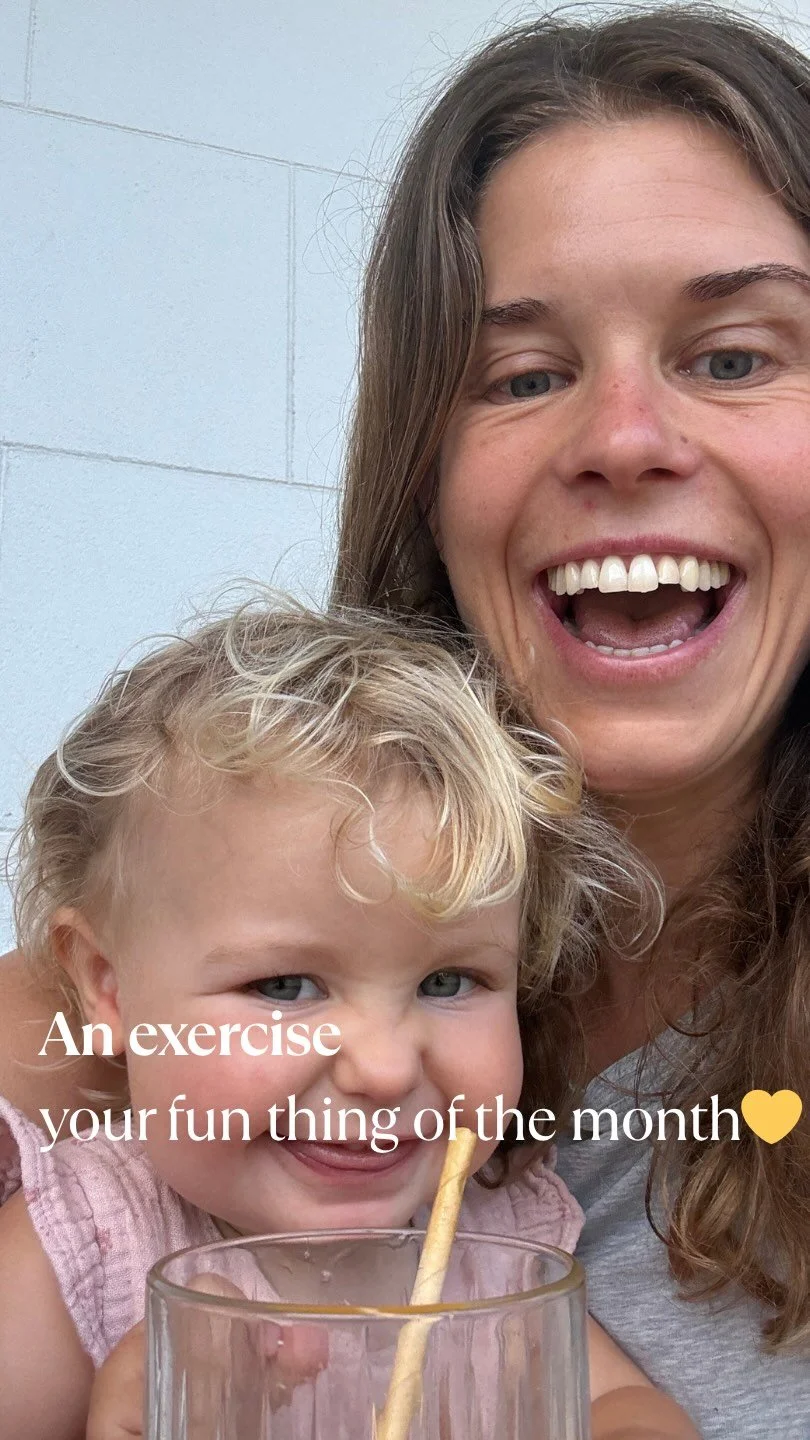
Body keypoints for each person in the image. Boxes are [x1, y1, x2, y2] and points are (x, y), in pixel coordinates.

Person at [3, 2, 810, 1434]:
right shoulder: (96, 1130)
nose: (624, 440)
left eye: (735, 355)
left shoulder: (497, 1217)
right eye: (523, 375)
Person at [0, 596, 696, 1439]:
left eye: (449, 981)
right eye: (285, 986)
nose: (386, 1069)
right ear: (108, 989)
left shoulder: (493, 1240)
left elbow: (621, 1406)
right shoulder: (83, 1249)